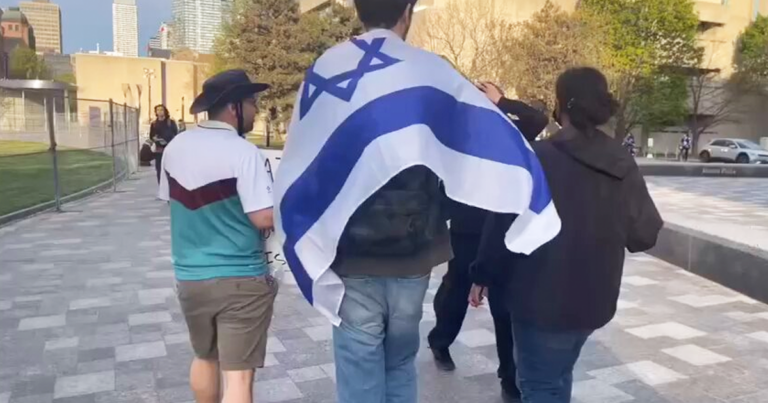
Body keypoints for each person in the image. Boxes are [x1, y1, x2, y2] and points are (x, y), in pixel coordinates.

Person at [470, 67, 663, 403]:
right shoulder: (620, 160)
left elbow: (501, 226)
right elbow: (645, 233)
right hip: (594, 300)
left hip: (540, 300)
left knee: (541, 385)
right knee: (558, 375)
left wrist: (482, 274)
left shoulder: (536, 160)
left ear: (562, 106)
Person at [158, 70, 277, 403]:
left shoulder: (176, 146)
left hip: (190, 277)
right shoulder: (243, 152)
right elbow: (263, 217)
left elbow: (173, 201)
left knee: (204, 356)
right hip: (240, 279)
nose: (256, 110)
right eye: (252, 103)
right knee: (238, 379)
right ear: (233, 107)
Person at [428, 81, 548, 403]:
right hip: (468, 227)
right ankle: (441, 340)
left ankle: (508, 375)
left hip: (504, 229)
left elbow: (538, 121)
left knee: (503, 303)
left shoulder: (508, 132)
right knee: (456, 290)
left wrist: (504, 101)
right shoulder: (458, 129)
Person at [149, 104, 179, 183]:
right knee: (159, 169)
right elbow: (151, 136)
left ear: (165, 111)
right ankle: (161, 187)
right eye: (158, 110)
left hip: (169, 150)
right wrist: (156, 139)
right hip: (159, 151)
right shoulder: (154, 124)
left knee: (169, 169)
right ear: (156, 112)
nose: (160, 111)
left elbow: (176, 134)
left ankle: (170, 186)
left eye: (161, 110)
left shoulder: (170, 122)